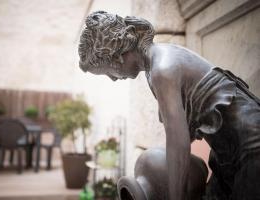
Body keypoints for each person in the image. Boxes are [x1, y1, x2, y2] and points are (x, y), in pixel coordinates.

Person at [78, 11, 260, 200]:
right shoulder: (156, 65)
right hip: (228, 153)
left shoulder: (162, 70)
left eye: (109, 71)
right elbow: (182, 135)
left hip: (251, 147)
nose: (114, 79)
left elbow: (178, 144)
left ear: (119, 55)